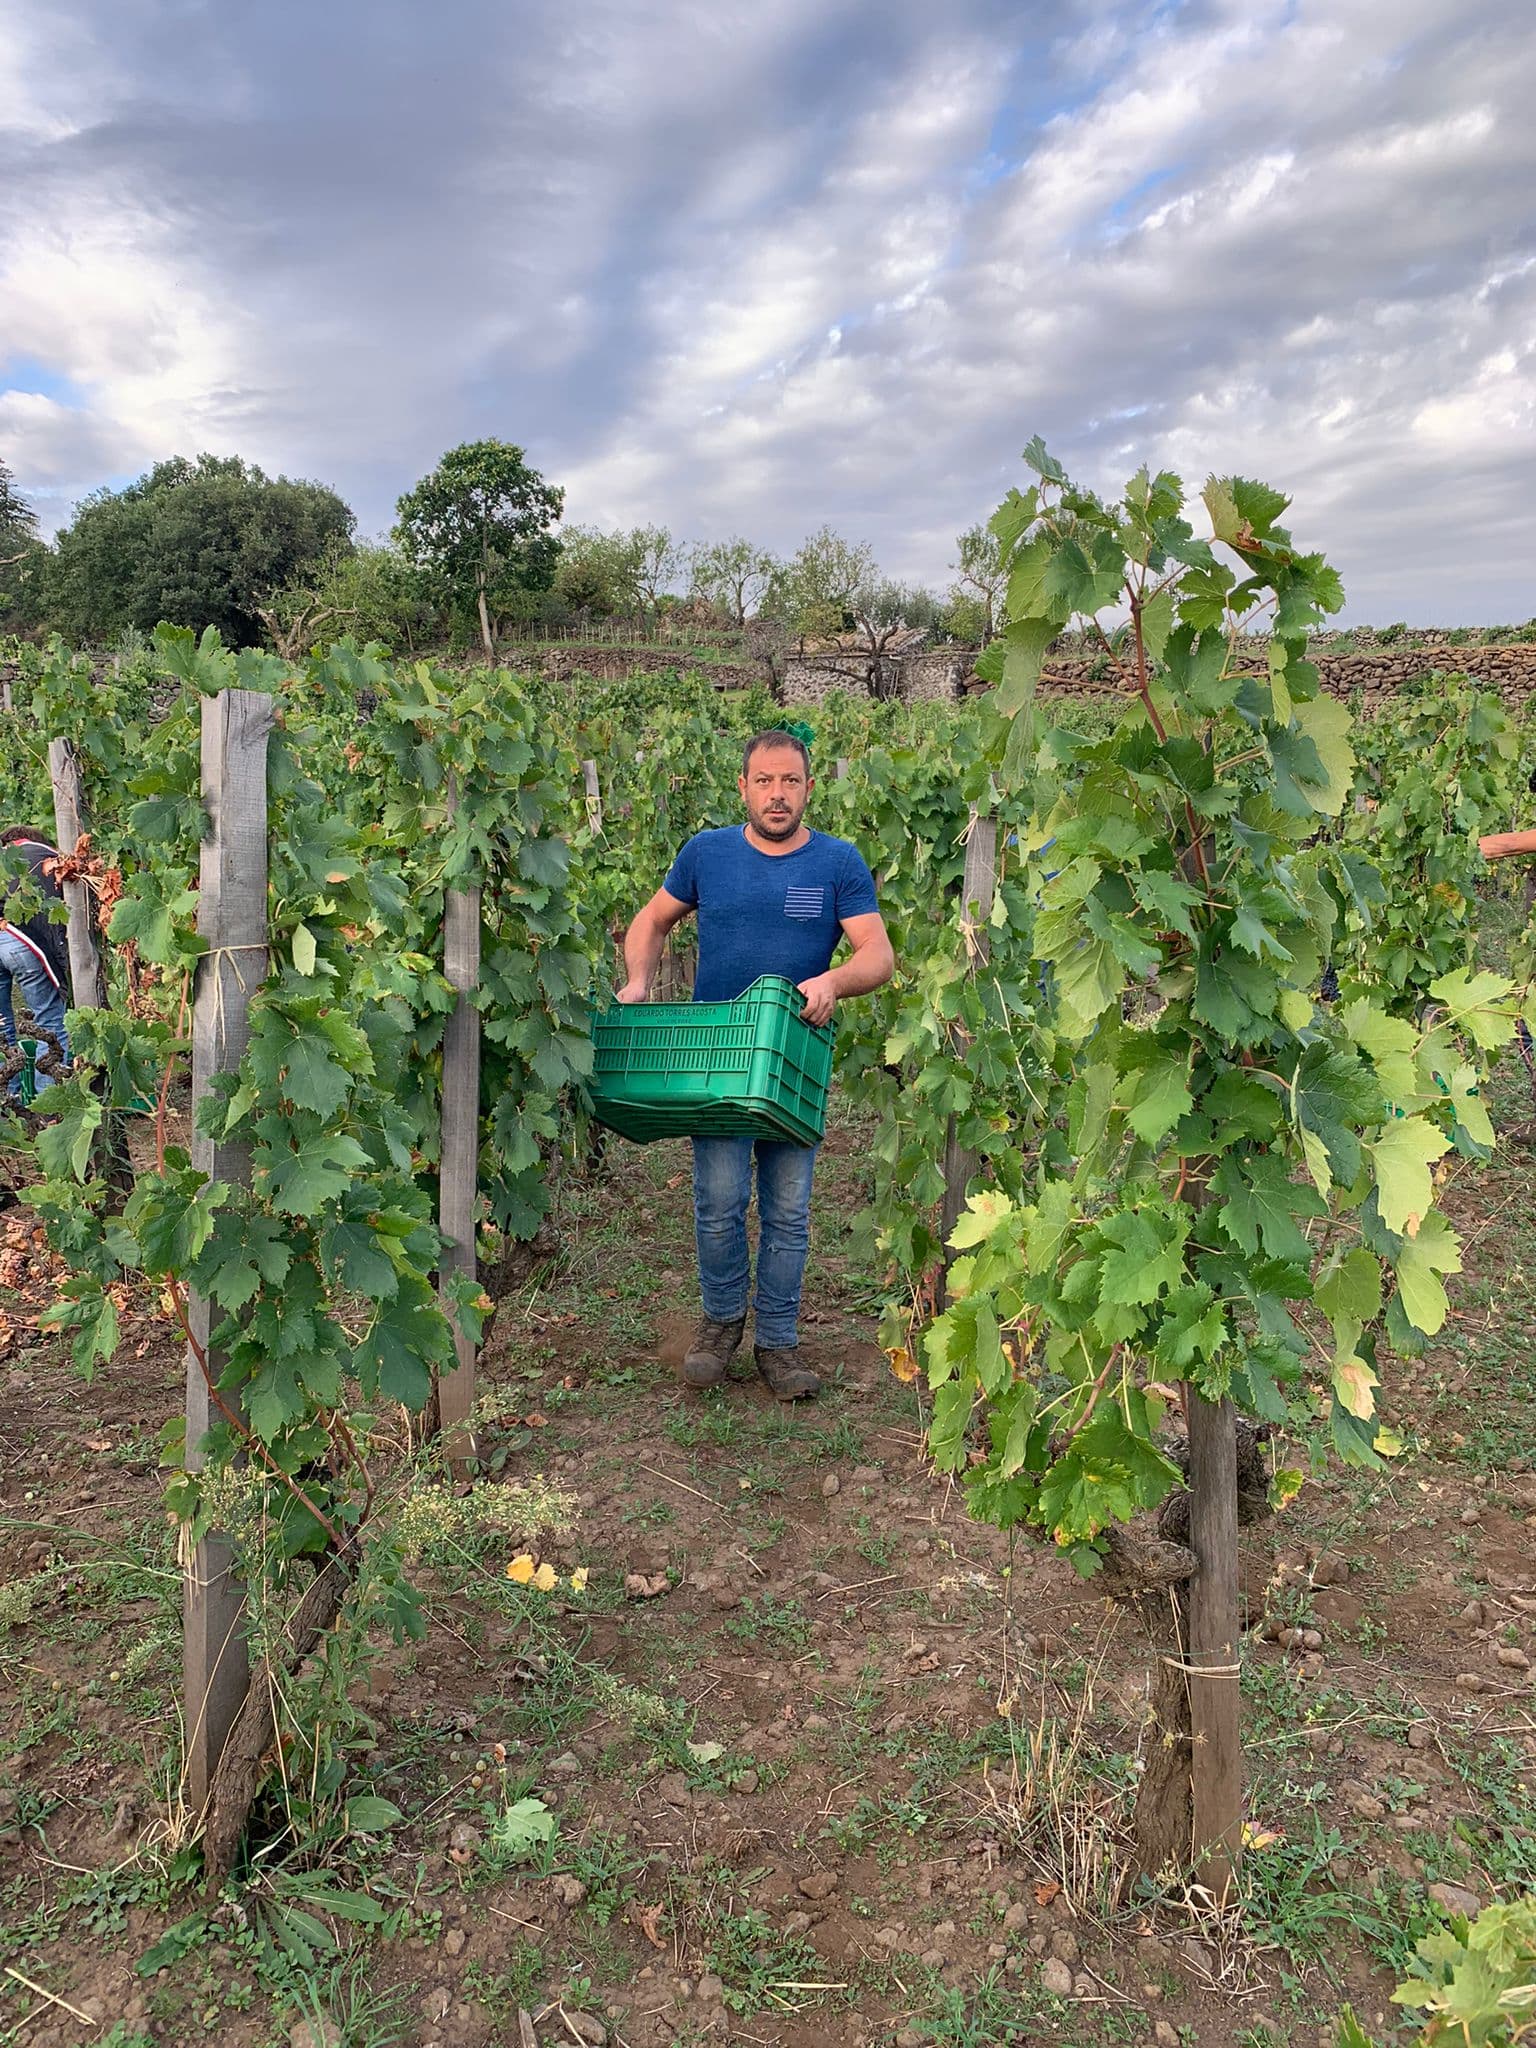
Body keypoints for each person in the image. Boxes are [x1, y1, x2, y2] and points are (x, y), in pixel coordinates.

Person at [619, 728, 895, 1400]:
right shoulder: (705, 855)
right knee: (718, 1202)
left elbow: (877, 955)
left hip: (792, 1060)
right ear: (742, 787)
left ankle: (777, 1341)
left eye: (790, 782)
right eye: (764, 781)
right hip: (717, 1059)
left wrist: (833, 981)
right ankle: (719, 1324)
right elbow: (651, 920)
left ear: (808, 788)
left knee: (789, 1208)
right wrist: (637, 982)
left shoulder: (837, 863)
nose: (778, 794)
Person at [0, 827, 71, 1096]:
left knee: (1, 1026)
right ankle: (50, 1105)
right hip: (23, 942)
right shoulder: (48, 855)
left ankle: (9, 1103)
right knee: (49, 1021)